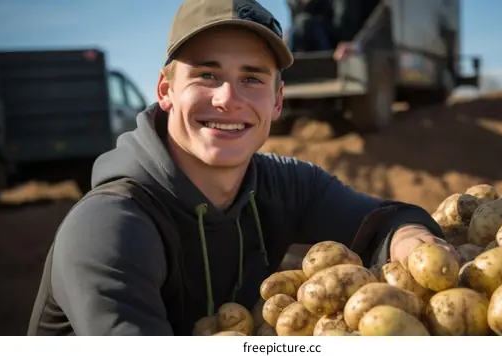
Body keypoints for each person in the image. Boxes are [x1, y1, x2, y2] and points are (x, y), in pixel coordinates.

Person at [27, 0, 455, 336]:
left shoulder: (284, 183)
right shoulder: (111, 227)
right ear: (165, 91)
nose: (228, 98)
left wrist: (413, 242)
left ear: (277, 100)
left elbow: (389, 219)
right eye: (207, 76)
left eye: (251, 78)